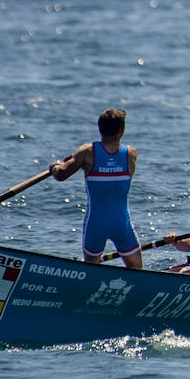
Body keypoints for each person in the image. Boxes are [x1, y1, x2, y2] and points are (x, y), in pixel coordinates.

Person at [49, 107, 143, 268]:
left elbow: (61, 175)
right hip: (121, 223)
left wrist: (56, 166)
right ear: (121, 131)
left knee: (90, 269)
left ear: (100, 128)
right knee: (137, 270)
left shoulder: (87, 152)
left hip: (96, 224)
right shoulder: (131, 154)